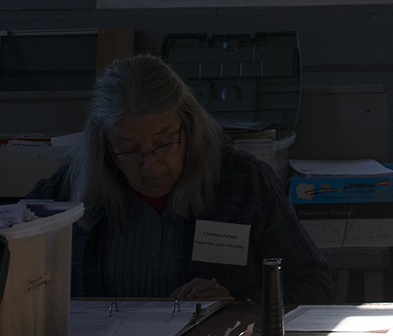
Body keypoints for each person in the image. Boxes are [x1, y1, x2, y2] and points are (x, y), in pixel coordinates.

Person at [30, 55, 330, 305]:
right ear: (104, 146)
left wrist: (241, 306)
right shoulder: (69, 190)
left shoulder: (243, 184)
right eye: (128, 149)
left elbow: (312, 284)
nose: (150, 165)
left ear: (188, 128)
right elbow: (12, 277)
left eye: (163, 143)